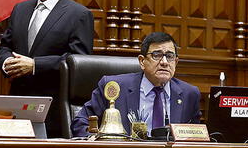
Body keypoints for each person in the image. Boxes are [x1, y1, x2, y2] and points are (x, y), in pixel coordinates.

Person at [0, 0, 93, 138]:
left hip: (52, 109)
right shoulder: (20, 9)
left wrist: (35, 65)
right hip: (17, 105)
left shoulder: (78, 14)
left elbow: (78, 61)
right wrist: (6, 62)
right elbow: (5, 46)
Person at [71, 32, 201, 137]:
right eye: (157, 55)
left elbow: (196, 138)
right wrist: (101, 146)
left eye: (170, 56)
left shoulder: (189, 94)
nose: (165, 62)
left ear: (176, 62)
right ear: (142, 61)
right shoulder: (113, 87)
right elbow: (81, 123)